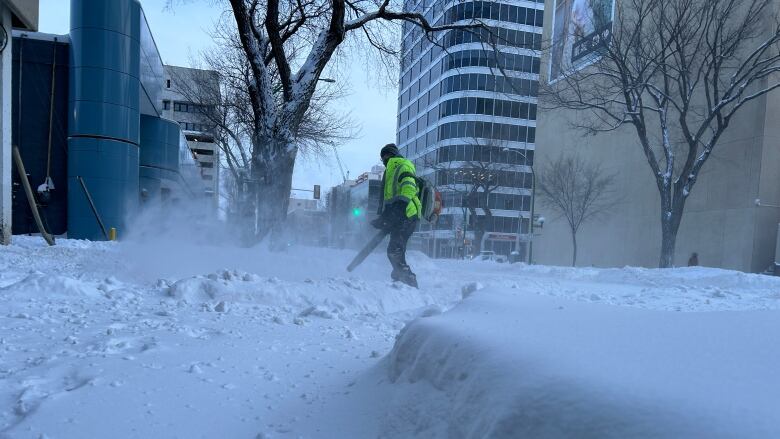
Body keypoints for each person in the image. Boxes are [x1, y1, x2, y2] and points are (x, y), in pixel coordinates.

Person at [371, 143, 421, 288]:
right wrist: (383, 219)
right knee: (396, 249)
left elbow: (409, 186)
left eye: (383, 157)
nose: (383, 160)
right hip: (400, 216)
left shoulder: (401, 165)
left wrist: (400, 207)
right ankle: (401, 278)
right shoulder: (390, 170)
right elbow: (390, 200)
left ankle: (408, 280)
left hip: (406, 215)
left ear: (388, 154)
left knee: (394, 250)